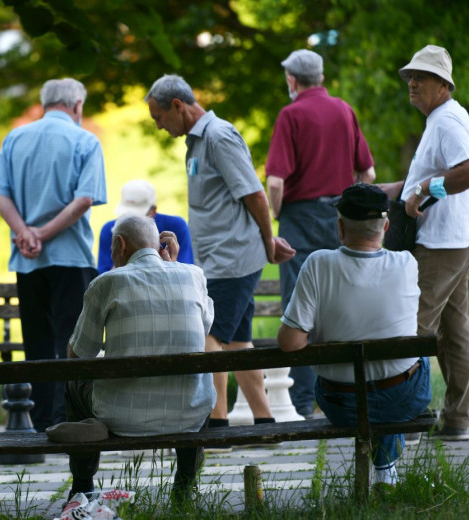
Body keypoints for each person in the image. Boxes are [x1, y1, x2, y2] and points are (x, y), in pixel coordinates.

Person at [144, 74, 295, 445]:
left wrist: (268, 241)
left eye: (160, 118)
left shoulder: (219, 136)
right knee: (238, 342)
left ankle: (216, 426)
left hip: (233, 257)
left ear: (178, 106)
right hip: (218, 258)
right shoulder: (195, 144)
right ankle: (265, 424)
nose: (160, 127)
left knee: (209, 338)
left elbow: (255, 194)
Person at [277, 184, 431, 488]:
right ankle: (385, 467)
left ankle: (385, 467)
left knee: (381, 375)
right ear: (385, 226)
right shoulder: (407, 264)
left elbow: (290, 342)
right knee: (409, 362)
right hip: (400, 396)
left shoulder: (318, 264)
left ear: (340, 228)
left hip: (341, 400)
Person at [66, 214, 215, 500]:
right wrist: (172, 266)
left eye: (111, 248)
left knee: (73, 383)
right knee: (198, 387)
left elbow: (79, 354)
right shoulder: (193, 275)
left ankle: (83, 485)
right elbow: (203, 327)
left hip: (118, 417)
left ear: (120, 244)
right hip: (189, 413)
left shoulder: (106, 283)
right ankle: (184, 486)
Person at [0, 78, 107, 433]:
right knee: (73, 342)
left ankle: (38, 419)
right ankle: (67, 418)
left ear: (45, 104)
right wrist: (43, 232)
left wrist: (25, 232)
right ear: (77, 105)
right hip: (70, 256)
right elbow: (85, 199)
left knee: (37, 341)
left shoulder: (15, 138)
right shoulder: (86, 140)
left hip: (28, 259)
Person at [376, 45, 469, 442]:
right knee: (452, 332)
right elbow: (424, 180)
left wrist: (423, 187)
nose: (413, 83)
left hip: (442, 244)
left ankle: (406, 418)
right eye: (410, 77)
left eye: (421, 77)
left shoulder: (447, 120)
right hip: (455, 240)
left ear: (444, 84)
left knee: (414, 326)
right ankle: (456, 419)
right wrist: (382, 190)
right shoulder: (440, 120)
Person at [265, 49, 376, 419]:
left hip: (299, 217)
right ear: (321, 78)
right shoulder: (344, 110)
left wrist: (276, 214)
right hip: (339, 217)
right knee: (342, 302)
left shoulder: (290, 114)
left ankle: (300, 405)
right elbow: (369, 174)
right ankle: (345, 395)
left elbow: (276, 182)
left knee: (299, 307)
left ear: (292, 81)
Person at [97, 179, 194, 274]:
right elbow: (103, 280)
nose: (130, 221)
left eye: (137, 216)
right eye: (125, 215)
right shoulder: (109, 230)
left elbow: (187, 272)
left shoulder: (175, 227)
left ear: (153, 211)